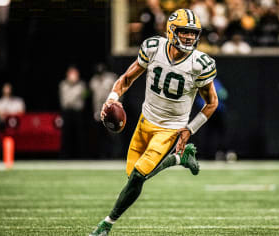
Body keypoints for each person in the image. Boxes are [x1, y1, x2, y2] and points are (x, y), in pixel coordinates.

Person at [90, 9, 219, 235]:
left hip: (169, 129)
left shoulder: (200, 63)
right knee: (134, 177)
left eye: (193, 33)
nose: (189, 37)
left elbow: (211, 103)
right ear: (171, 31)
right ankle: (180, 158)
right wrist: (111, 99)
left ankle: (106, 224)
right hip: (144, 121)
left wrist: (189, 129)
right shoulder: (153, 48)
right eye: (184, 32)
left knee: (139, 176)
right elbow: (127, 78)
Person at [58, 65, 87, 159]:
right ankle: (65, 156)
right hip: (67, 112)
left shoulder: (82, 85)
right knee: (66, 135)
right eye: (71, 74)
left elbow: (84, 97)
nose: (73, 76)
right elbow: (65, 100)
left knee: (79, 135)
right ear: (68, 75)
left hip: (77, 113)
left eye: (75, 74)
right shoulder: (63, 85)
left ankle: (81, 156)